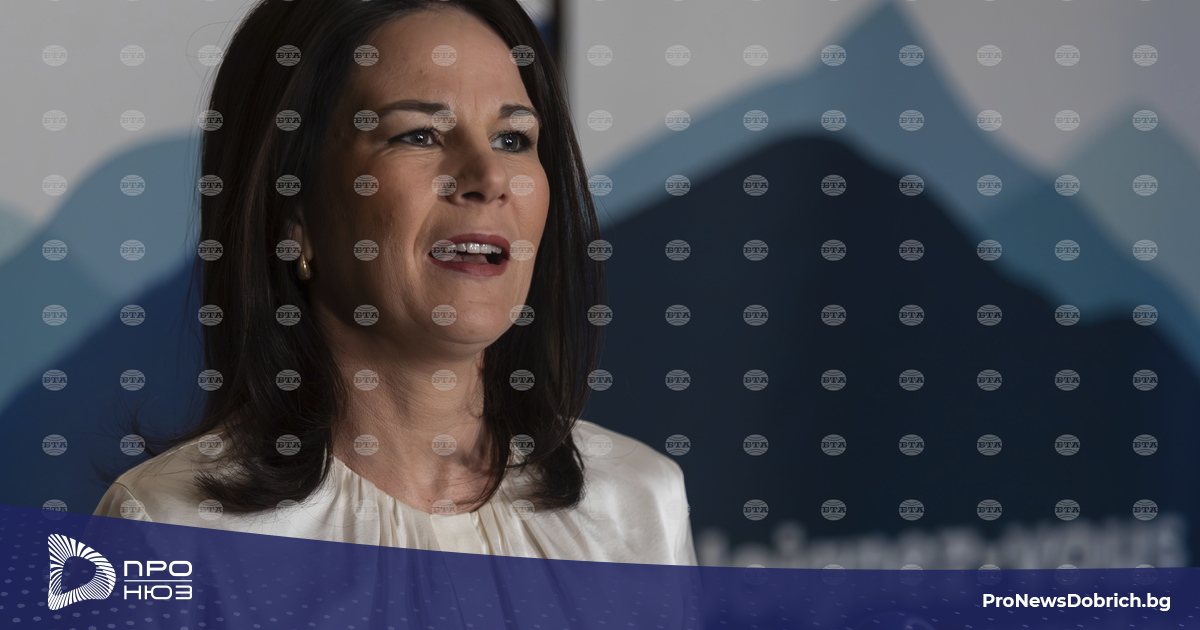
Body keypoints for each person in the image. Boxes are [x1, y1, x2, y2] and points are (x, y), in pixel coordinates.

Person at [93, 0, 697, 566]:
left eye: (513, 139)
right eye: (418, 135)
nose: (489, 177)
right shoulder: (167, 530)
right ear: (292, 212)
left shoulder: (639, 503)